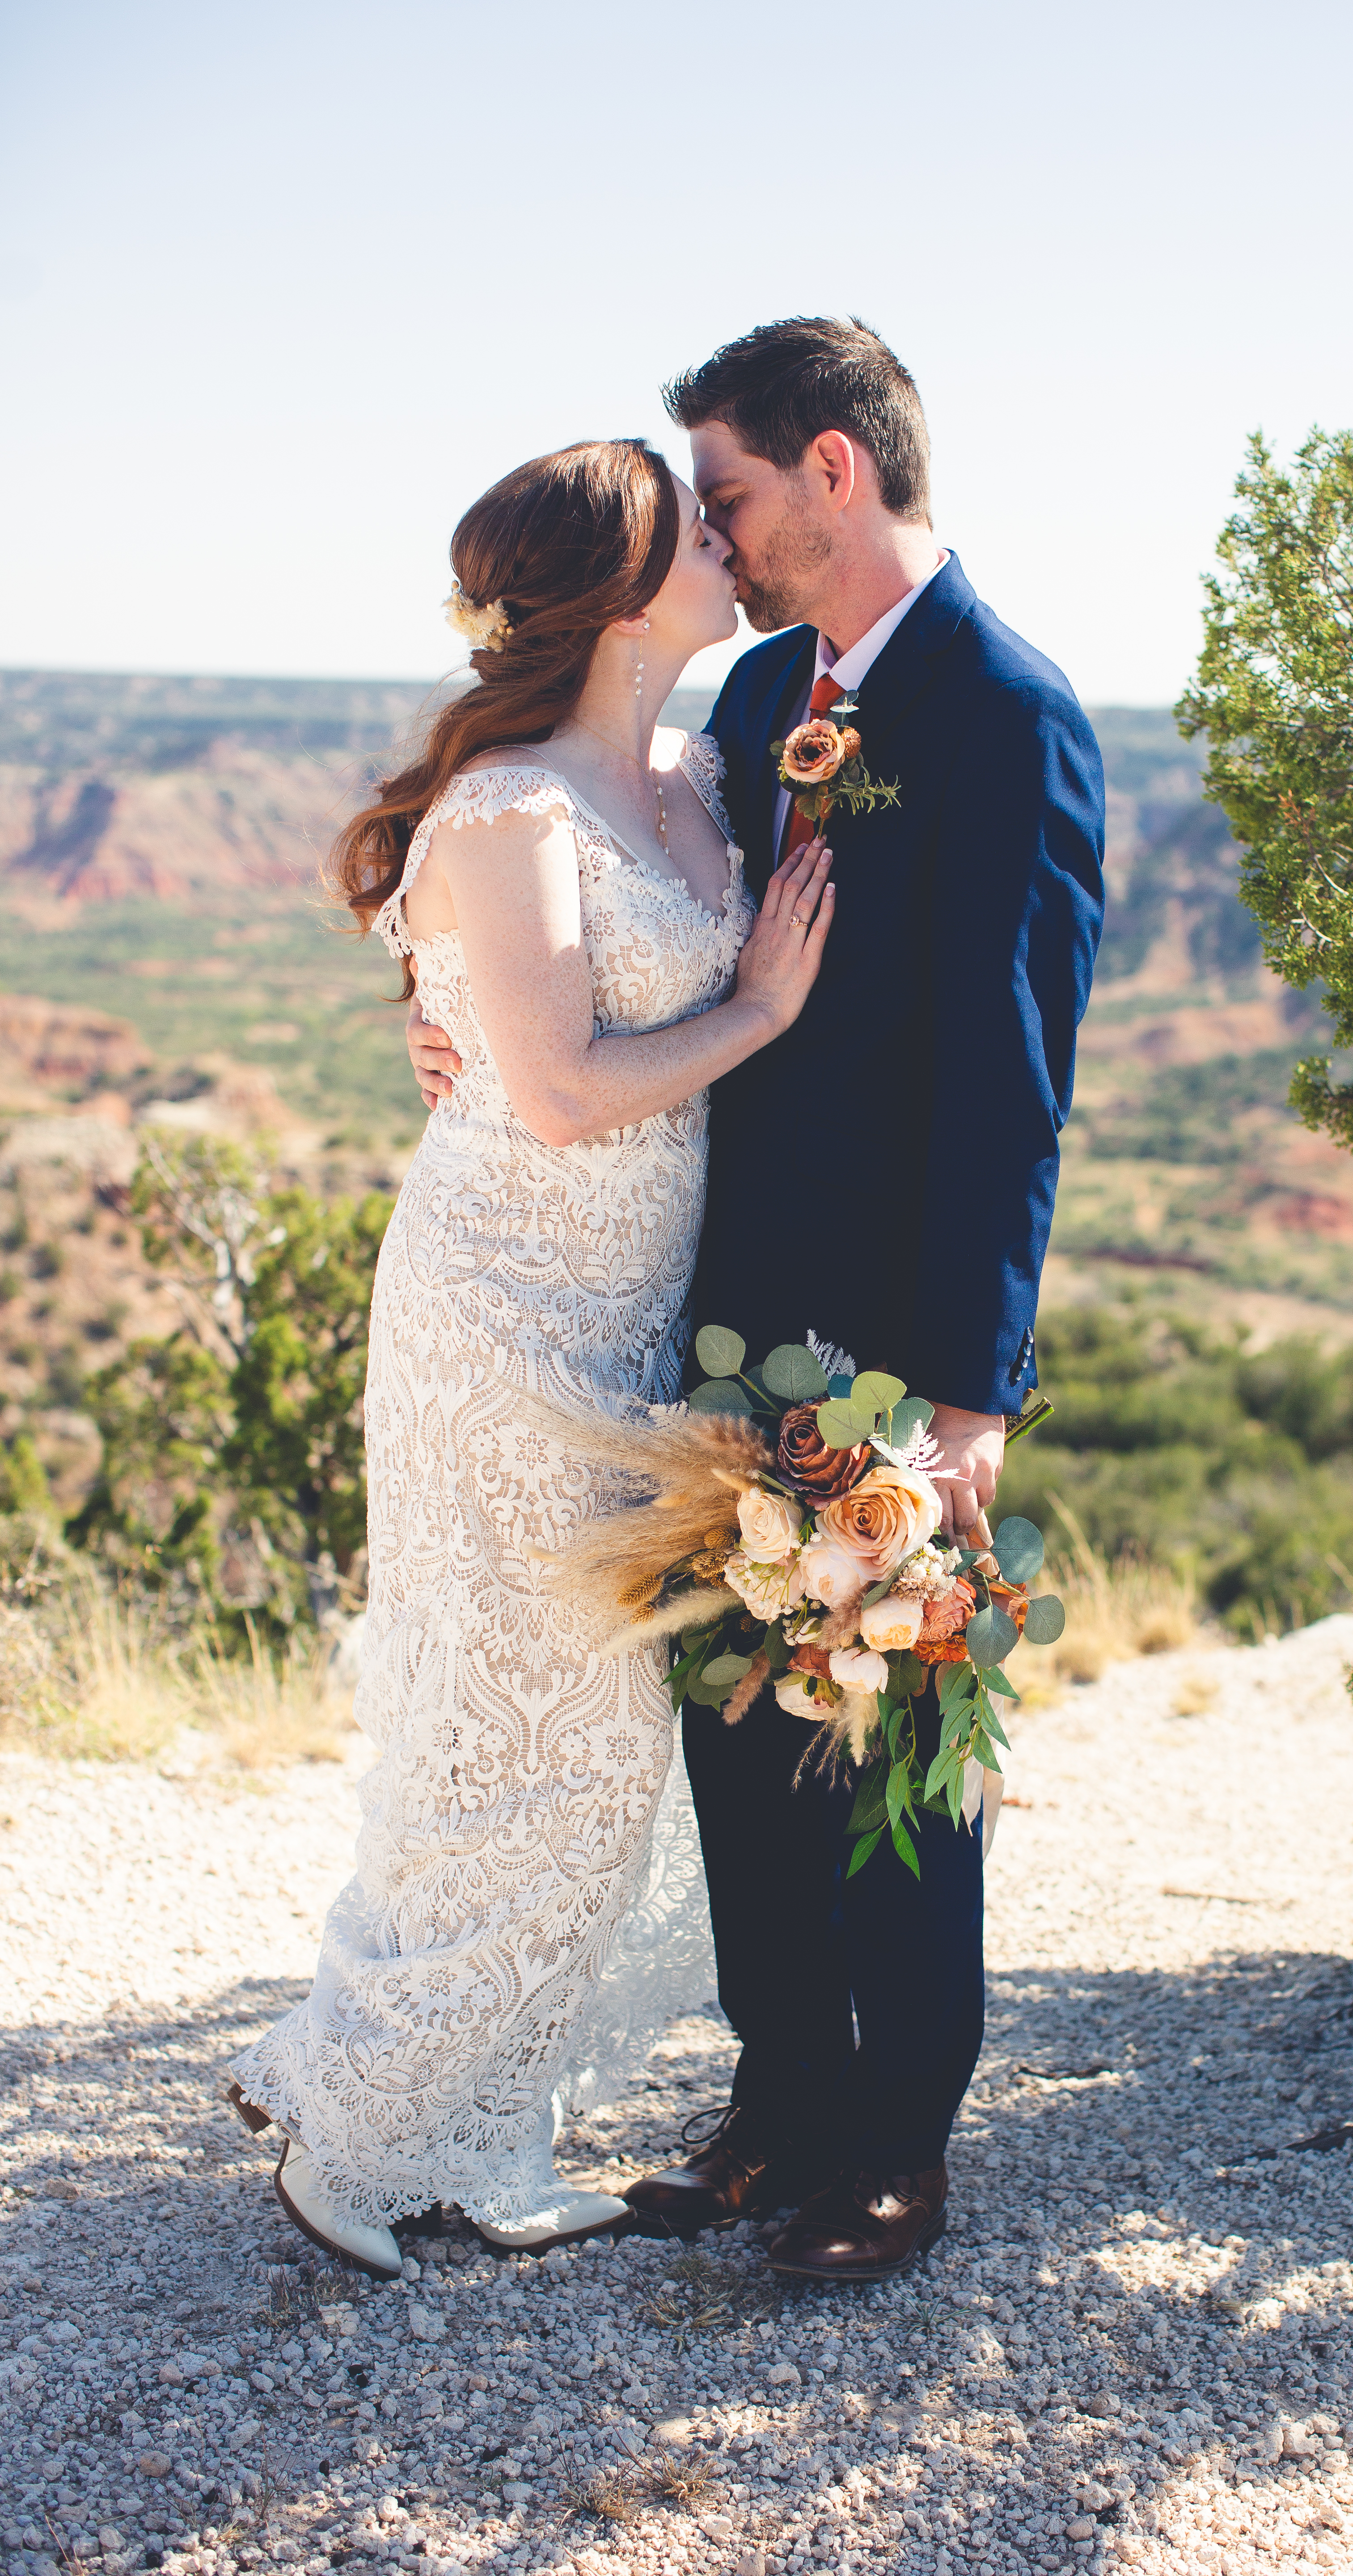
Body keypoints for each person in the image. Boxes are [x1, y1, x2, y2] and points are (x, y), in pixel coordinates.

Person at [409, 319, 1105, 2283]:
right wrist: (450, 1007)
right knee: (736, 1720)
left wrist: (971, 1392)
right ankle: (782, 2095)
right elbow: (586, 878)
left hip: (893, 1338)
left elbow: (1009, 1074)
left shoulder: (1008, 709)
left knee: (892, 1729)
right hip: (707, 1316)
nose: (708, 535)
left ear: (831, 471)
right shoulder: (756, 697)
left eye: (721, 496)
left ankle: (901, 2147)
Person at [226, 438, 833, 2280]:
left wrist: (445, 1014)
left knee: (591, 1744)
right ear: (631, 592)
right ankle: (356, 2148)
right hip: (499, 1319)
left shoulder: (688, 772)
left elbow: (486, 1015)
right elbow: (560, 1092)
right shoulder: (510, 810)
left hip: (632, 1319)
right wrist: (758, 1009)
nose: (734, 554)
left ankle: (480, 2124)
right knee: (509, 1731)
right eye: (702, 537)